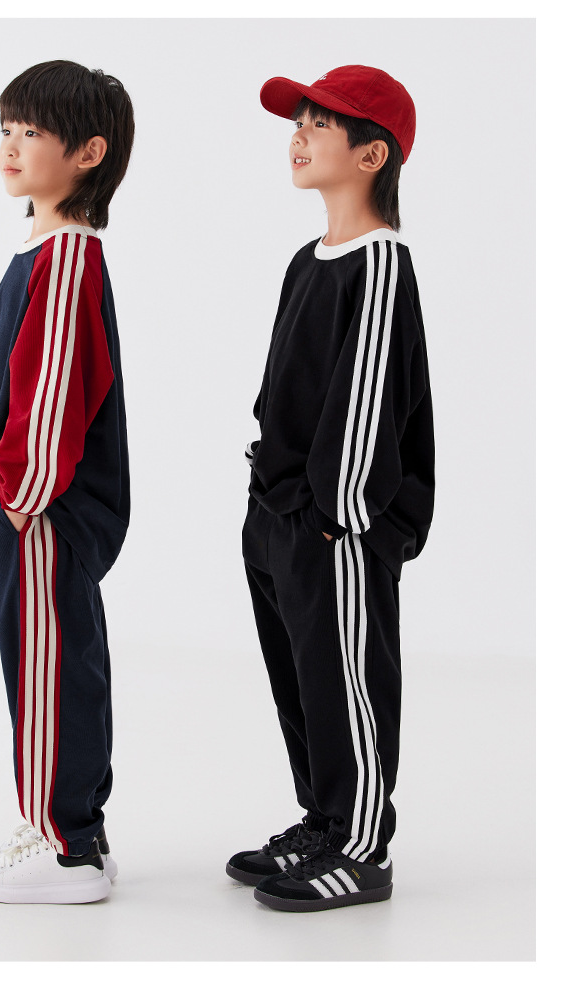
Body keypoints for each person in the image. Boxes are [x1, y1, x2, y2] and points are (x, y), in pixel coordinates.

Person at [226, 65, 435, 912]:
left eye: (319, 124)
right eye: (297, 122)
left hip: (335, 523)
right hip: (278, 511)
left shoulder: (379, 263)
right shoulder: (307, 261)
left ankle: (360, 846)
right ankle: (322, 820)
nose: (298, 136)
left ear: (371, 155)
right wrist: (266, 500)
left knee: (348, 679)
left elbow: (367, 401)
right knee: (304, 678)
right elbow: (286, 384)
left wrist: (336, 513)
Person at [0, 59, 134, 904]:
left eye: (32, 132)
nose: (11, 147)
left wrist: (17, 502)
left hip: (38, 514)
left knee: (50, 669)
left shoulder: (64, 258)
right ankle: (69, 830)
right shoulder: (47, 253)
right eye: (7, 129)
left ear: (88, 153)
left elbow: (51, 392)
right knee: (50, 664)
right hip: (30, 511)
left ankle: (66, 848)